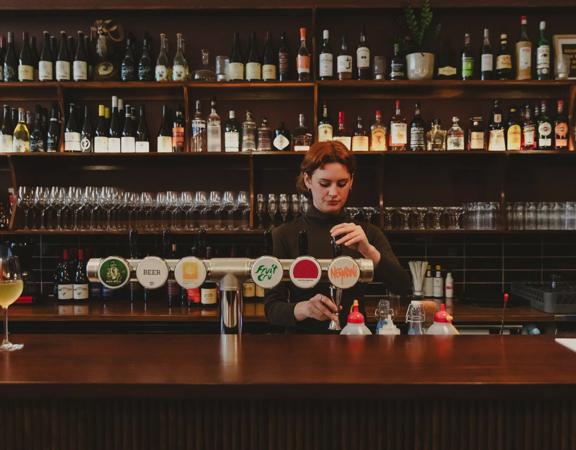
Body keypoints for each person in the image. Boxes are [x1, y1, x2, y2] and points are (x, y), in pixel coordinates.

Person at [264, 141, 411, 333]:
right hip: (302, 348)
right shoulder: (283, 234)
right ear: (308, 180)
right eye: (324, 184)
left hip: (356, 342)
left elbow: (402, 286)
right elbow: (271, 309)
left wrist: (368, 251)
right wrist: (303, 308)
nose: (334, 193)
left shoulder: (367, 234)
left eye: (342, 183)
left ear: (351, 181)